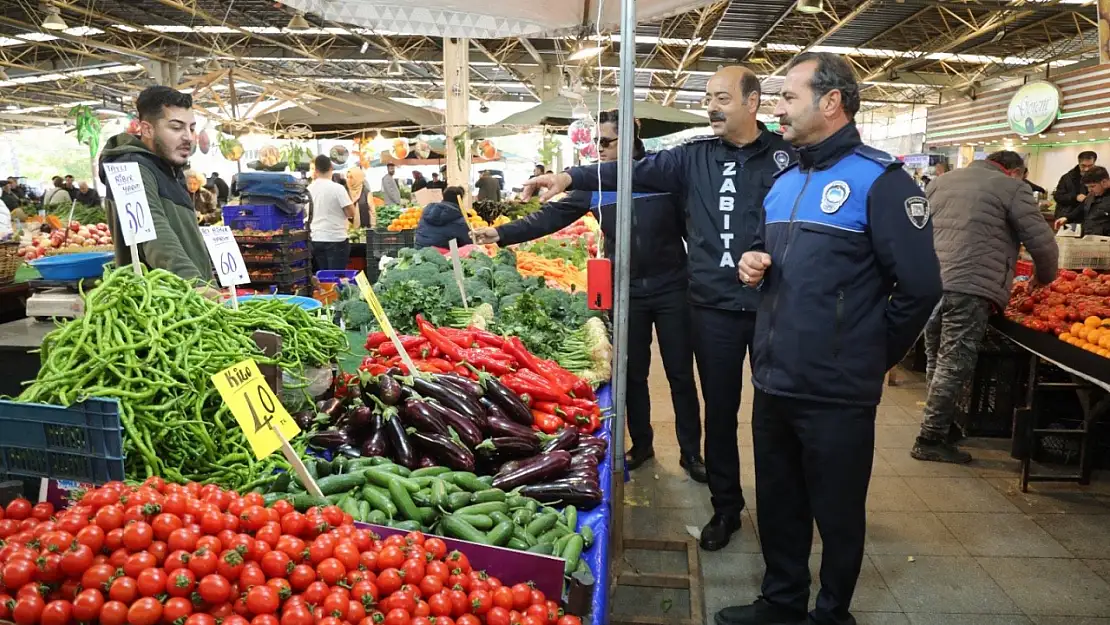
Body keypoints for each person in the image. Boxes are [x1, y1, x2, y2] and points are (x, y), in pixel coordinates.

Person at [522, 65, 794, 551]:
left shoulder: (788, 158)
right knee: (722, 412)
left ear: (752, 103)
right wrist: (568, 174)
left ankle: (782, 515)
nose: (712, 106)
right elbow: (627, 169)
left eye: (723, 98)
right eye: (709, 97)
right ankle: (726, 507)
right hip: (713, 306)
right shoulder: (690, 159)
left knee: (776, 417)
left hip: (777, 306)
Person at [730, 52, 941, 625]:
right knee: (778, 501)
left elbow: (921, 288)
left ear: (831, 102)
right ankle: (780, 601)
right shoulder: (785, 178)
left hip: (837, 389)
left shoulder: (882, 181)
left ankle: (831, 612)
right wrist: (752, 262)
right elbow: (761, 252)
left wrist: (868, 355)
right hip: (774, 376)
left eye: (788, 96)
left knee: (838, 510)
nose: (777, 107)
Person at [473, 109, 702, 481]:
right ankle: (642, 444)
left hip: (673, 286)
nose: (601, 149)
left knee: (680, 372)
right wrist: (501, 234)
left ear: (630, 137)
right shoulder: (595, 182)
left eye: (608, 142)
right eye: (598, 142)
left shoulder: (664, 175)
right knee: (632, 373)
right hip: (626, 292)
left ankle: (691, 452)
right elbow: (549, 218)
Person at [913, 151, 1058, 465]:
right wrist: (1045, 276)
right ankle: (930, 437)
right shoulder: (1012, 188)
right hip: (969, 284)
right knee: (954, 362)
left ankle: (942, 424)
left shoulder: (942, 181)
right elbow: (1042, 242)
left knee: (937, 356)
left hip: (930, 281)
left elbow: (917, 227)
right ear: (1015, 171)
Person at [99, 85, 214, 283]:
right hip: (164, 304)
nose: (188, 137)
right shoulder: (130, 168)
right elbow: (153, 234)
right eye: (176, 127)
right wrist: (194, 283)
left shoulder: (171, 169)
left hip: (194, 301)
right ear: (147, 129)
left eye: (191, 128)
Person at [308, 154, 355, 271]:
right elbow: (351, 213)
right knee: (335, 278)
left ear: (316, 170)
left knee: (320, 279)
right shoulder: (338, 188)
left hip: (315, 238)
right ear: (331, 169)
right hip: (336, 239)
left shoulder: (308, 189)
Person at [1055, 165, 1110, 236]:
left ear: (1104, 182)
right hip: (1089, 237)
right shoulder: (1092, 194)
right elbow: (1082, 208)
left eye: (1092, 186)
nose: (1089, 190)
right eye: (1087, 187)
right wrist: (1067, 218)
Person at [1053, 151, 1097, 220]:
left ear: (1094, 164)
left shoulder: (1099, 178)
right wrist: (1075, 197)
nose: (1086, 169)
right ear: (1079, 163)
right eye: (1083, 166)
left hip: (1090, 218)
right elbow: (1058, 196)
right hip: (1068, 217)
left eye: (1090, 166)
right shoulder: (1067, 178)